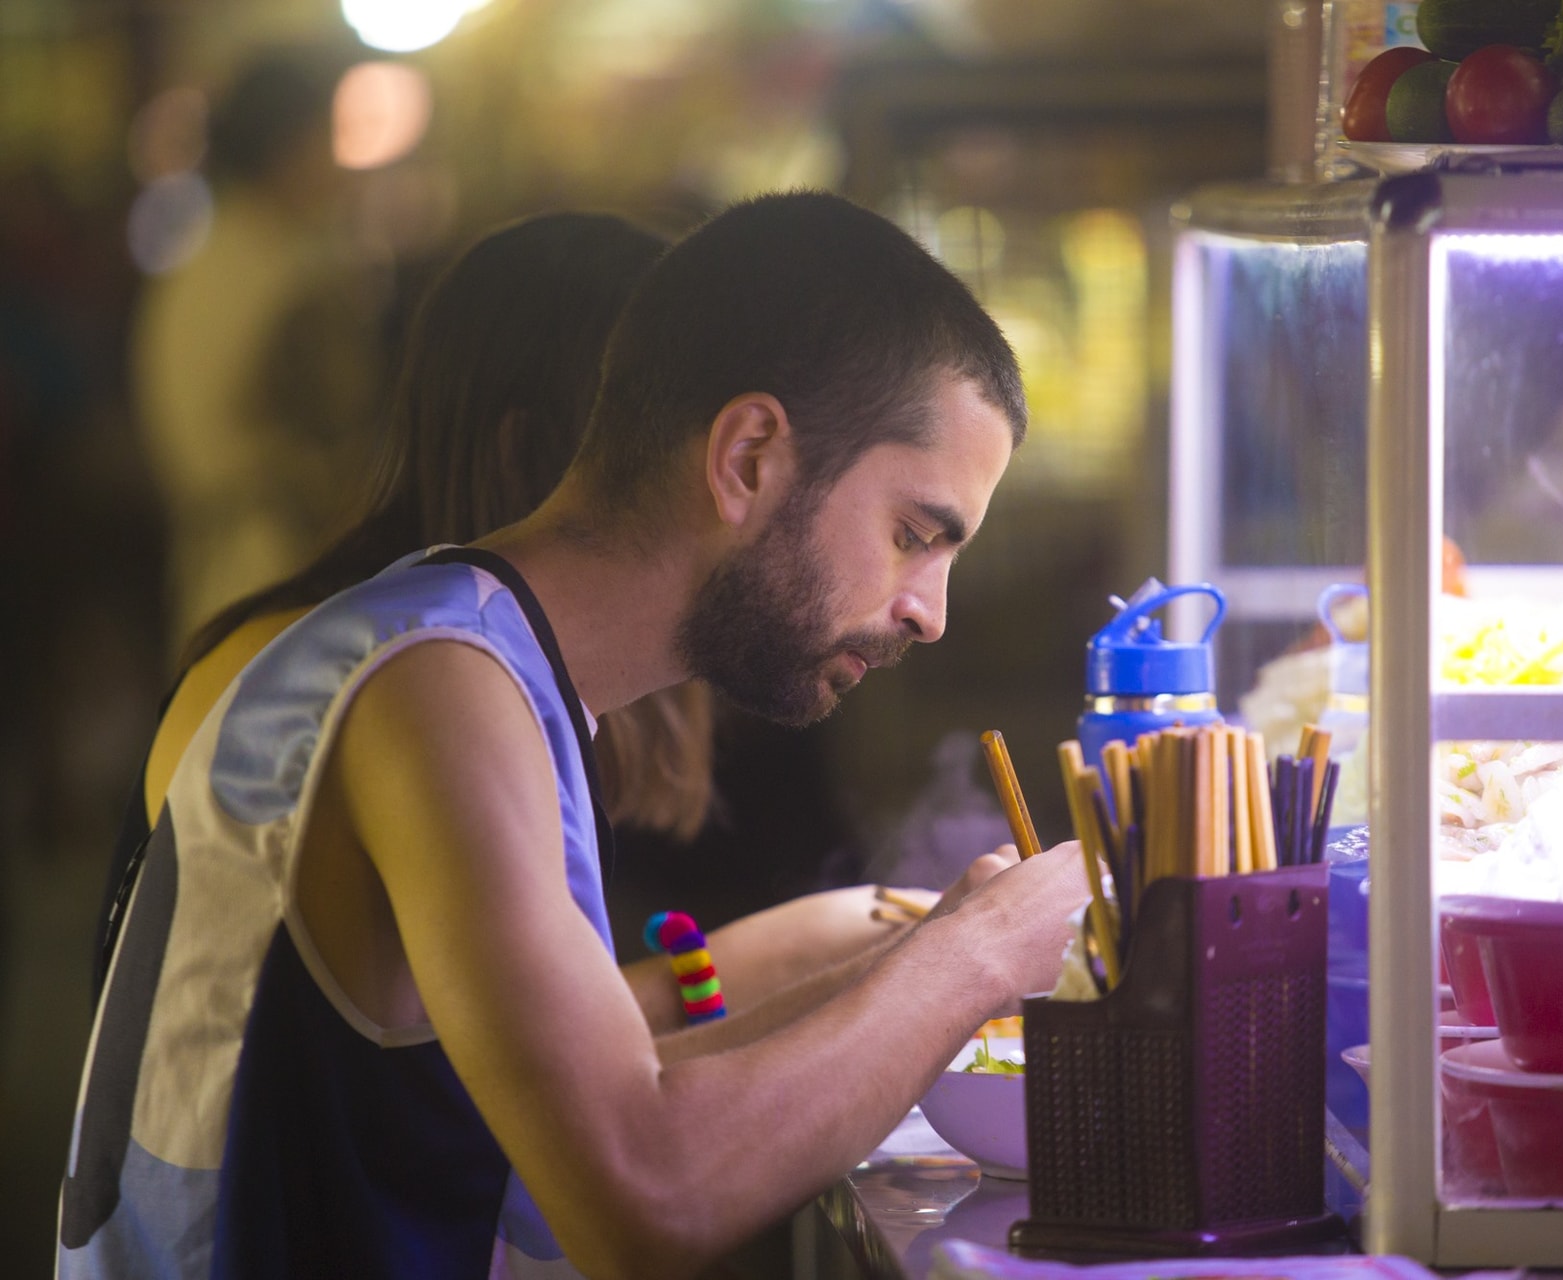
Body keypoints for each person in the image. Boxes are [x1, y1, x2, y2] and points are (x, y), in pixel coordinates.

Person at [61, 190, 1088, 1277]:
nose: (930, 610)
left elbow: (603, 1088)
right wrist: (975, 953)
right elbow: (642, 1194)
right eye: (914, 533)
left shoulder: (488, 663)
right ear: (748, 456)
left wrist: (889, 960)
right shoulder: (433, 683)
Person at [105, 209, 911, 1032]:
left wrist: (789, 957)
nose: (715, 500)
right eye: (649, 438)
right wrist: (794, 965)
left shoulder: (539, 675)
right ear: (529, 452)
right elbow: (538, 1104)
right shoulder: (382, 677)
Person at [132, 45, 385, 655]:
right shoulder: (296, 277)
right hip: (291, 572)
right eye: (328, 139)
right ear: (289, 150)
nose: (338, 164)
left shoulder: (191, 271)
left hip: (206, 579)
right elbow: (345, 443)